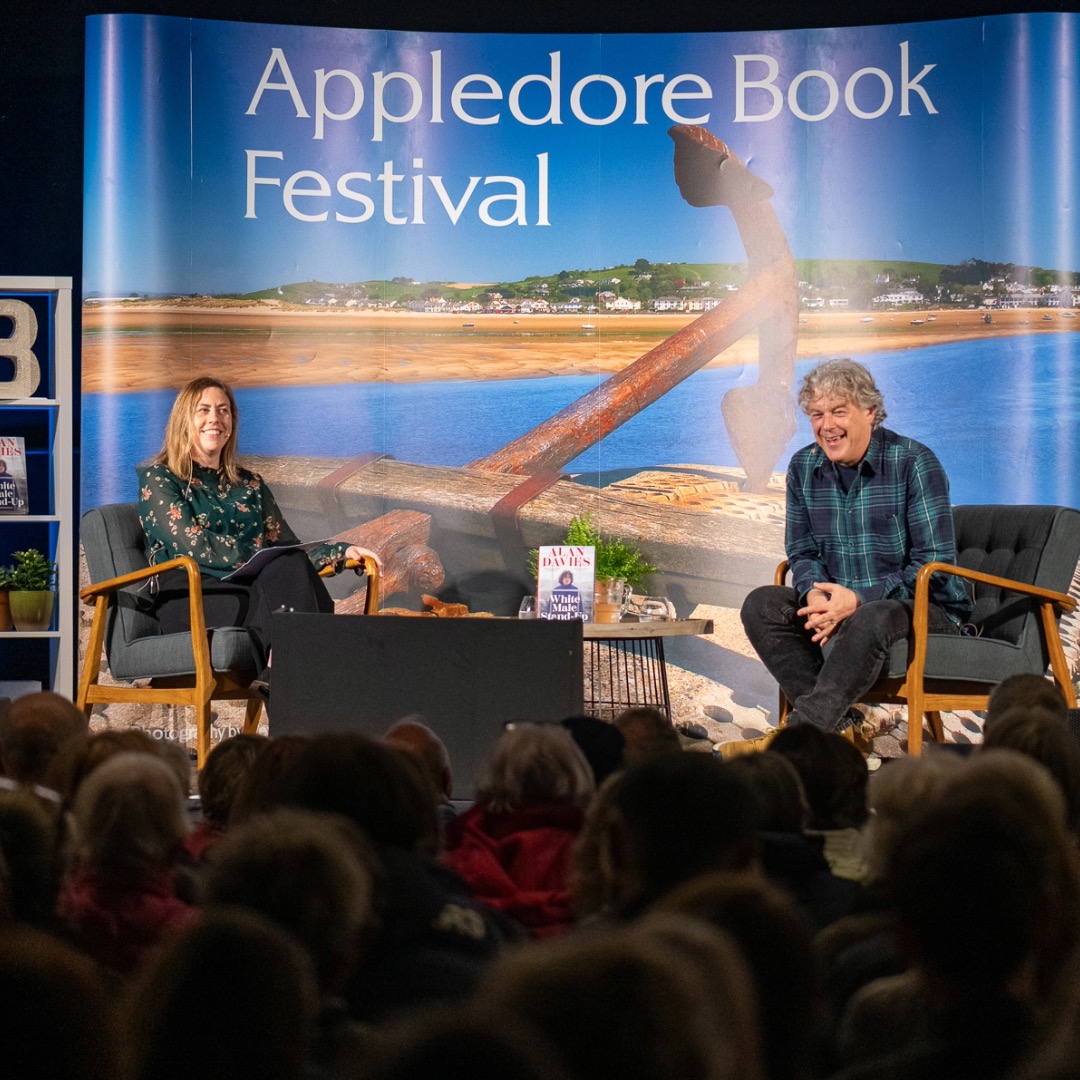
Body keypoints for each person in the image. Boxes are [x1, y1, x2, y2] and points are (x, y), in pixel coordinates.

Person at [734, 358, 972, 750]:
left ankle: (796, 740)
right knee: (762, 603)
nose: (826, 425)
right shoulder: (803, 467)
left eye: (838, 412)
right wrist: (813, 593)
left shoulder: (914, 463)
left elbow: (935, 566)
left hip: (923, 609)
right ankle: (841, 730)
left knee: (874, 614)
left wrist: (857, 599)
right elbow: (802, 550)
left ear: (870, 411)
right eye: (816, 414)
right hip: (840, 606)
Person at [137, 376, 380, 693]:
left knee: (289, 566)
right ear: (184, 419)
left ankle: (279, 678)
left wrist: (340, 552)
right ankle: (301, 680)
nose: (215, 419)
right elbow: (196, 546)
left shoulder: (250, 484)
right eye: (204, 410)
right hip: (189, 593)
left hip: (251, 587)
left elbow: (286, 546)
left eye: (224, 411)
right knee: (287, 592)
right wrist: (260, 556)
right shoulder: (159, 477)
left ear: (232, 422)